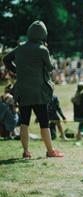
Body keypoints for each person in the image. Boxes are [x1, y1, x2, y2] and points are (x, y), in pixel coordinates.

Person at [2, 20, 63, 158]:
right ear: (43, 34)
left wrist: (16, 71)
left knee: (24, 122)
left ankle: (26, 152)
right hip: (39, 92)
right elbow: (50, 68)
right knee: (43, 121)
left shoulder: (20, 47)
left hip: (23, 90)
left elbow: (6, 59)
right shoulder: (43, 49)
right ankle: (50, 150)